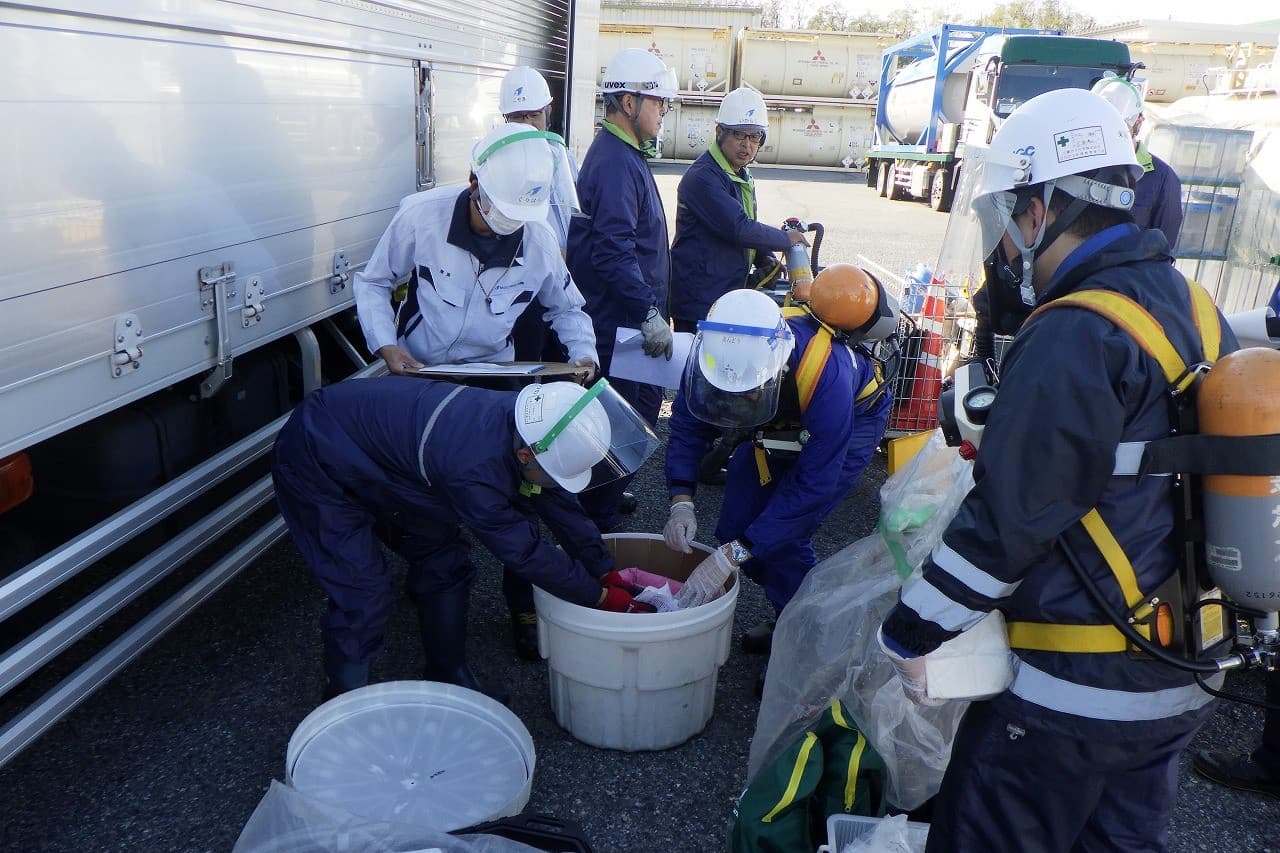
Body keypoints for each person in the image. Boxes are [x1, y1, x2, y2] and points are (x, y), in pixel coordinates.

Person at [877, 88, 1238, 852]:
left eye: (1010, 216)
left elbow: (1005, 523)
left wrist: (907, 631)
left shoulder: (1075, 331)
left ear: (1043, 209)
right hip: (1180, 676)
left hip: (1073, 694)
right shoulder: (1195, 307)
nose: (1005, 243)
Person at [272, 377, 659, 703]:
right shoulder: (475, 470)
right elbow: (522, 551)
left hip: (390, 459)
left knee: (444, 560)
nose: (558, 483)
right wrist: (599, 598)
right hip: (318, 453)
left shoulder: (534, 425)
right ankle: (341, 709)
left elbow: (557, 499)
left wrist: (603, 569)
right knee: (362, 589)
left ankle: (447, 673)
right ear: (525, 455)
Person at [664, 275, 895, 659]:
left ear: (776, 367)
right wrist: (680, 500)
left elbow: (813, 485)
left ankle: (802, 643)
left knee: (783, 538)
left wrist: (734, 556)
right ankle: (788, 611)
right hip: (778, 420)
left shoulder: (827, 372)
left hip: (851, 421)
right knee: (735, 529)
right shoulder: (712, 355)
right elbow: (688, 425)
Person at [352, 122, 597, 378]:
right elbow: (374, 283)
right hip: (418, 368)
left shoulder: (540, 241)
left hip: (493, 374)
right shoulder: (421, 217)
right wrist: (386, 345)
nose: (510, 223)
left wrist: (584, 353)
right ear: (474, 184)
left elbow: (567, 308)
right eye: (502, 210)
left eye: (518, 215)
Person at [566, 48, 679, 533]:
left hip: (626, 323)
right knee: (624, 424)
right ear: (628, 103)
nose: (663, 112)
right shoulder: (615, 162)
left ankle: (603, 502)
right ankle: (597, 524)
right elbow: (613, 251)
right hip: (620, 329)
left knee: (628, 425)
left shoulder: (622, 154)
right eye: (658, 102)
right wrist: (648, 312)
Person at [496, 65, 587, 660]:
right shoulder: (549, 153)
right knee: (529, 430)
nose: (532, 124)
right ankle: (526, 600)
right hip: (531, 307)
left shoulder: (495, 153)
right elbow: (568, 223)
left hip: (518, 303)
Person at [668, 87, 806, 334]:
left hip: (722, 294)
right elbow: (738, 227)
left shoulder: (739, 173)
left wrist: (764, 254)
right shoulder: (703, 177)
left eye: (755, 137)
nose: (747, 145)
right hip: (699, 300)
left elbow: (745, 222)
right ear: (719, 132)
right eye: (740, 135)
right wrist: (784, 240)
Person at [1092, 75, 1184, 250]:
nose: (1110, 134)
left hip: (1125, 276)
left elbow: (1163, 248)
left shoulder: (1162, 178)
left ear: (1139, 121)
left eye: (1120, 126)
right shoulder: (1084, 167)